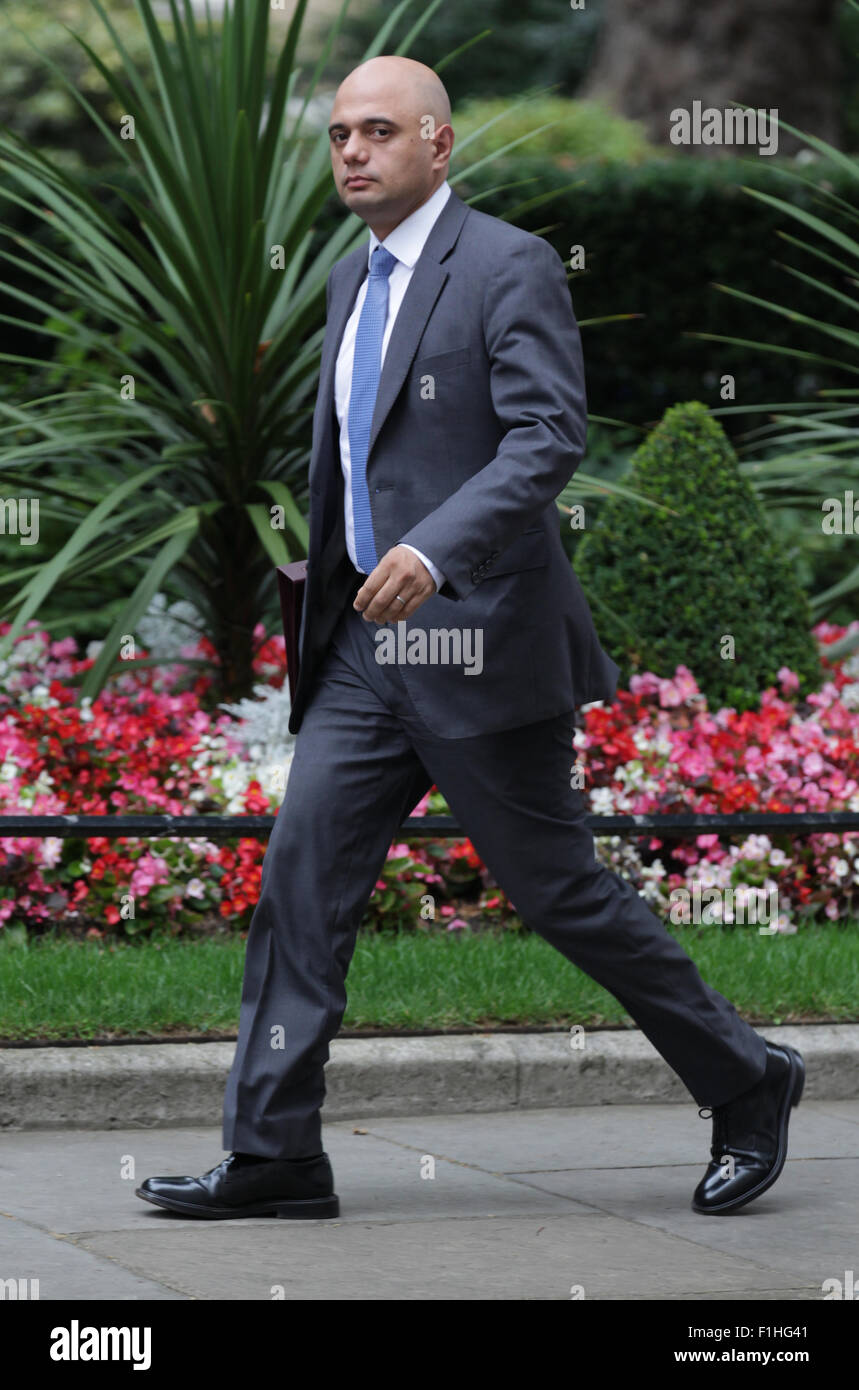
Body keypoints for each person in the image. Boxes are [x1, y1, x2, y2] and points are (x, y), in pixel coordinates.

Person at [137, 55, 804, 1223]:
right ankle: (277, 1152)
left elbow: (547, 437)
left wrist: (435, 550)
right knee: (301, 883)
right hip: (361, 653)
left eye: (378, 131)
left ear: (437, 146)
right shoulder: (351, 280)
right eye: (340, 133)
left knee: (558, 892)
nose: (351, 151)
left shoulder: (508, 265)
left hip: (481, 642)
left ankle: (747, 1076)